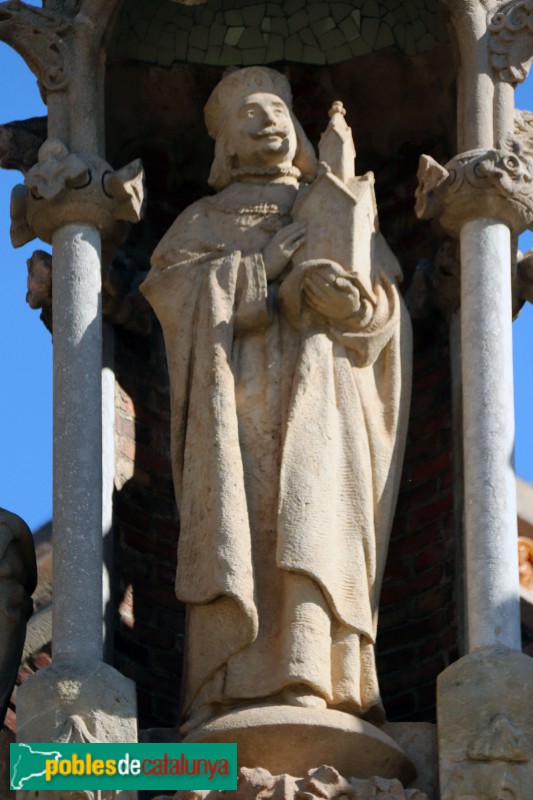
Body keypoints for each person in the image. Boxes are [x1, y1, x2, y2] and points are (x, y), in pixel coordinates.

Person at [141, 67, 411, 734]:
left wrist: (356, 304)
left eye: (276, 112)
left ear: (297, 131)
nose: (265, 123)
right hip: (234, 413)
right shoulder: (200, 221)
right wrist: (258, 274)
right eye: (247, 115)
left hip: (324, 400)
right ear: (224, 145)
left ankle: (319, 679)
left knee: (316, 520)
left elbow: (385, 315)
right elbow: (171, 302)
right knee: (241, 527)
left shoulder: (333, 201)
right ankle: (224, 690)